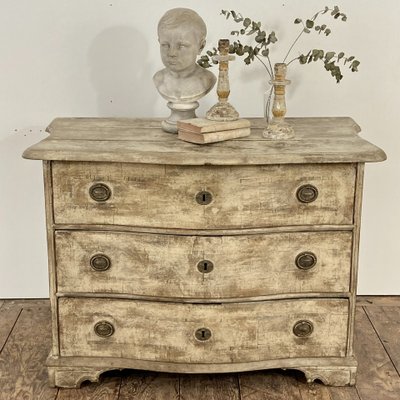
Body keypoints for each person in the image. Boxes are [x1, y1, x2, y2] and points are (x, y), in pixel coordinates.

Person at [153, 8, 216, 103]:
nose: (171, 53)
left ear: (201, 46)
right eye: (165, 45)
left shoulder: (206, 80)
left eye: (181, 46)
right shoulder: (159, 79)